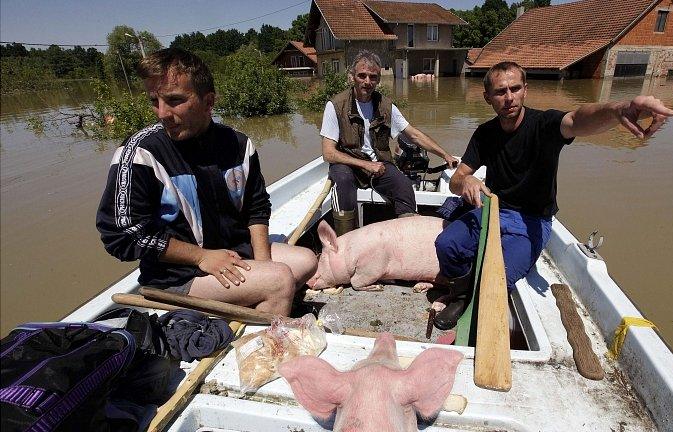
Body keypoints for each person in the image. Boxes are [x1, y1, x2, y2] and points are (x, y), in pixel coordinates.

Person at [432, 62, 673, 329]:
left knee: (498, 276)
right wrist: (466, 179)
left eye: (515, 88)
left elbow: (578, 120)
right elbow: (456, 181)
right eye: (501, 91)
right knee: (446, 245)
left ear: (525, 90)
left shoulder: (545, 125)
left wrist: (620, 110)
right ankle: (462, 295)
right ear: (487, 97)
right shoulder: (484, 134)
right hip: (493, 210)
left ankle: (480, 299)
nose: (509, 97)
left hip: (532, 221)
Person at [96, 48, 317, 316]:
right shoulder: (140, 153)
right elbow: (119, 235)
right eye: (155, 101)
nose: (162, 113)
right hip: (177, 277)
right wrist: (202, 257)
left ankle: (247, 302)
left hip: (235, 254)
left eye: (175, 100)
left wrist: (262, 264)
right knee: (280, 280)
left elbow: (256, 208)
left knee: (306, 261)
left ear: (208, 101)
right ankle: (266, 335)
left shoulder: (239, 144)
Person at [320, 50, 458, 234]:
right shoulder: (336, 105)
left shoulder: (386, 106)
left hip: (380, 163)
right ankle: (347, 241)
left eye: (373, 77)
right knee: (343, 181)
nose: (367, 82)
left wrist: (445, 155)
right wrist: (366, 165)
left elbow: (413, 135)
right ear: (351, 77)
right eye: (362, 76)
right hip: (348, 164)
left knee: (403, 185)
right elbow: (329, 153)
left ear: (378, 80)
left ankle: (406, 238)